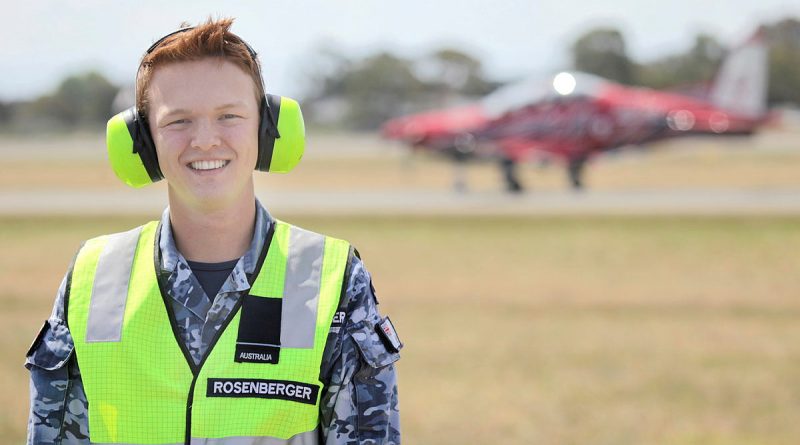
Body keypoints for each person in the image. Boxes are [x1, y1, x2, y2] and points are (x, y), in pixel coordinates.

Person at [25, 18, 402, 445]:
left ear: (268, 129)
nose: (205, 140)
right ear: (141, 142)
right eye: (178, 121)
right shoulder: (93, 278)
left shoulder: (333, 277)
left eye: (229, 116)